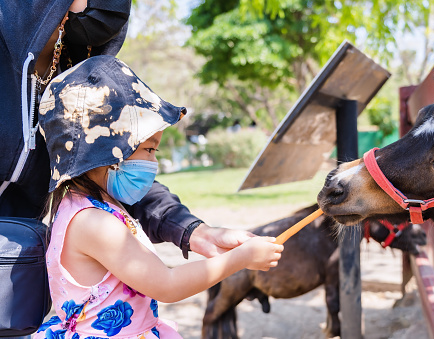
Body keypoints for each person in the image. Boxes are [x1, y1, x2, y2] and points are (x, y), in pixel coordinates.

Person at [33, 55, 284, 339]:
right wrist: (240, 259)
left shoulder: (98, 206)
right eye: (149, 150)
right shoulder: (93, 222)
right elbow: (167, 284)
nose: (154, 163)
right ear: (108, 150)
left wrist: (207, 238)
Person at [1, 0, 254, 265]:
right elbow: (165, 283)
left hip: (19, 267)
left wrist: (192, 230)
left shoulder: (84, 76)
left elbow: (111, 167)